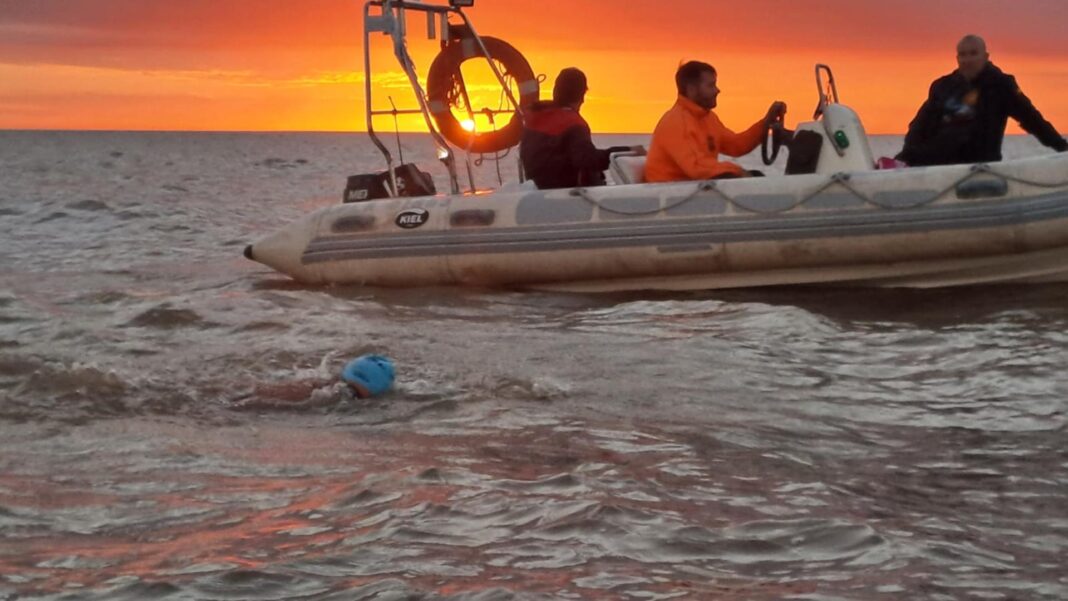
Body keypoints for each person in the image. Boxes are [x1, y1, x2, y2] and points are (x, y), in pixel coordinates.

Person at [896, 35, 1067, 166]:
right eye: (963, 55)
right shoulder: (942, 86)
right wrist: (908, 155)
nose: (967, 60)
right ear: (957, 58)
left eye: (973, 54)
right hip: (938, 164)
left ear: (985, 56)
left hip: (979, 166)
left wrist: (1061, 147)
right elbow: (919, 125)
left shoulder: (1001, 86)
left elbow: (1031, 119)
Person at [645, 61, 787, 182]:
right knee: (741, 178)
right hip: (669, 196)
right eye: (711, 85)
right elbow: (696, 167)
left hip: (692, 189)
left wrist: (766, 123)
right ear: (692, 90)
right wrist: (738, 171)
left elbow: (736, 145)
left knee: (756, 177)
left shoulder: (708, 118)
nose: (717, 90)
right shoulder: (676, 122)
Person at [520, 68, 637, 189]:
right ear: (581, 97)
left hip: (539, 188)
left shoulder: (534, 116)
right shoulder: (573, 124)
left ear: (555, 91)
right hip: (568, 192)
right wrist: (625, 151)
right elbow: (587, 159)